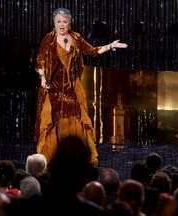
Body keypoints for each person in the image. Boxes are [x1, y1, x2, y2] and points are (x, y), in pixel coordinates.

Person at [34, 7, 128, 166]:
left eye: (65, 22)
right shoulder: (48, 39)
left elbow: (92, 51)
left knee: (77, 120)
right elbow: (41, 61)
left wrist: (110, 46)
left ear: (70, 24)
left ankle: (76, 155)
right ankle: (51, 158)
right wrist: (43, 78)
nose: (62, 25)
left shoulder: (76, 38)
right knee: (53, 123)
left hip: (72, 89)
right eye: (58, 22)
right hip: (54, 89)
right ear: (54, 23)